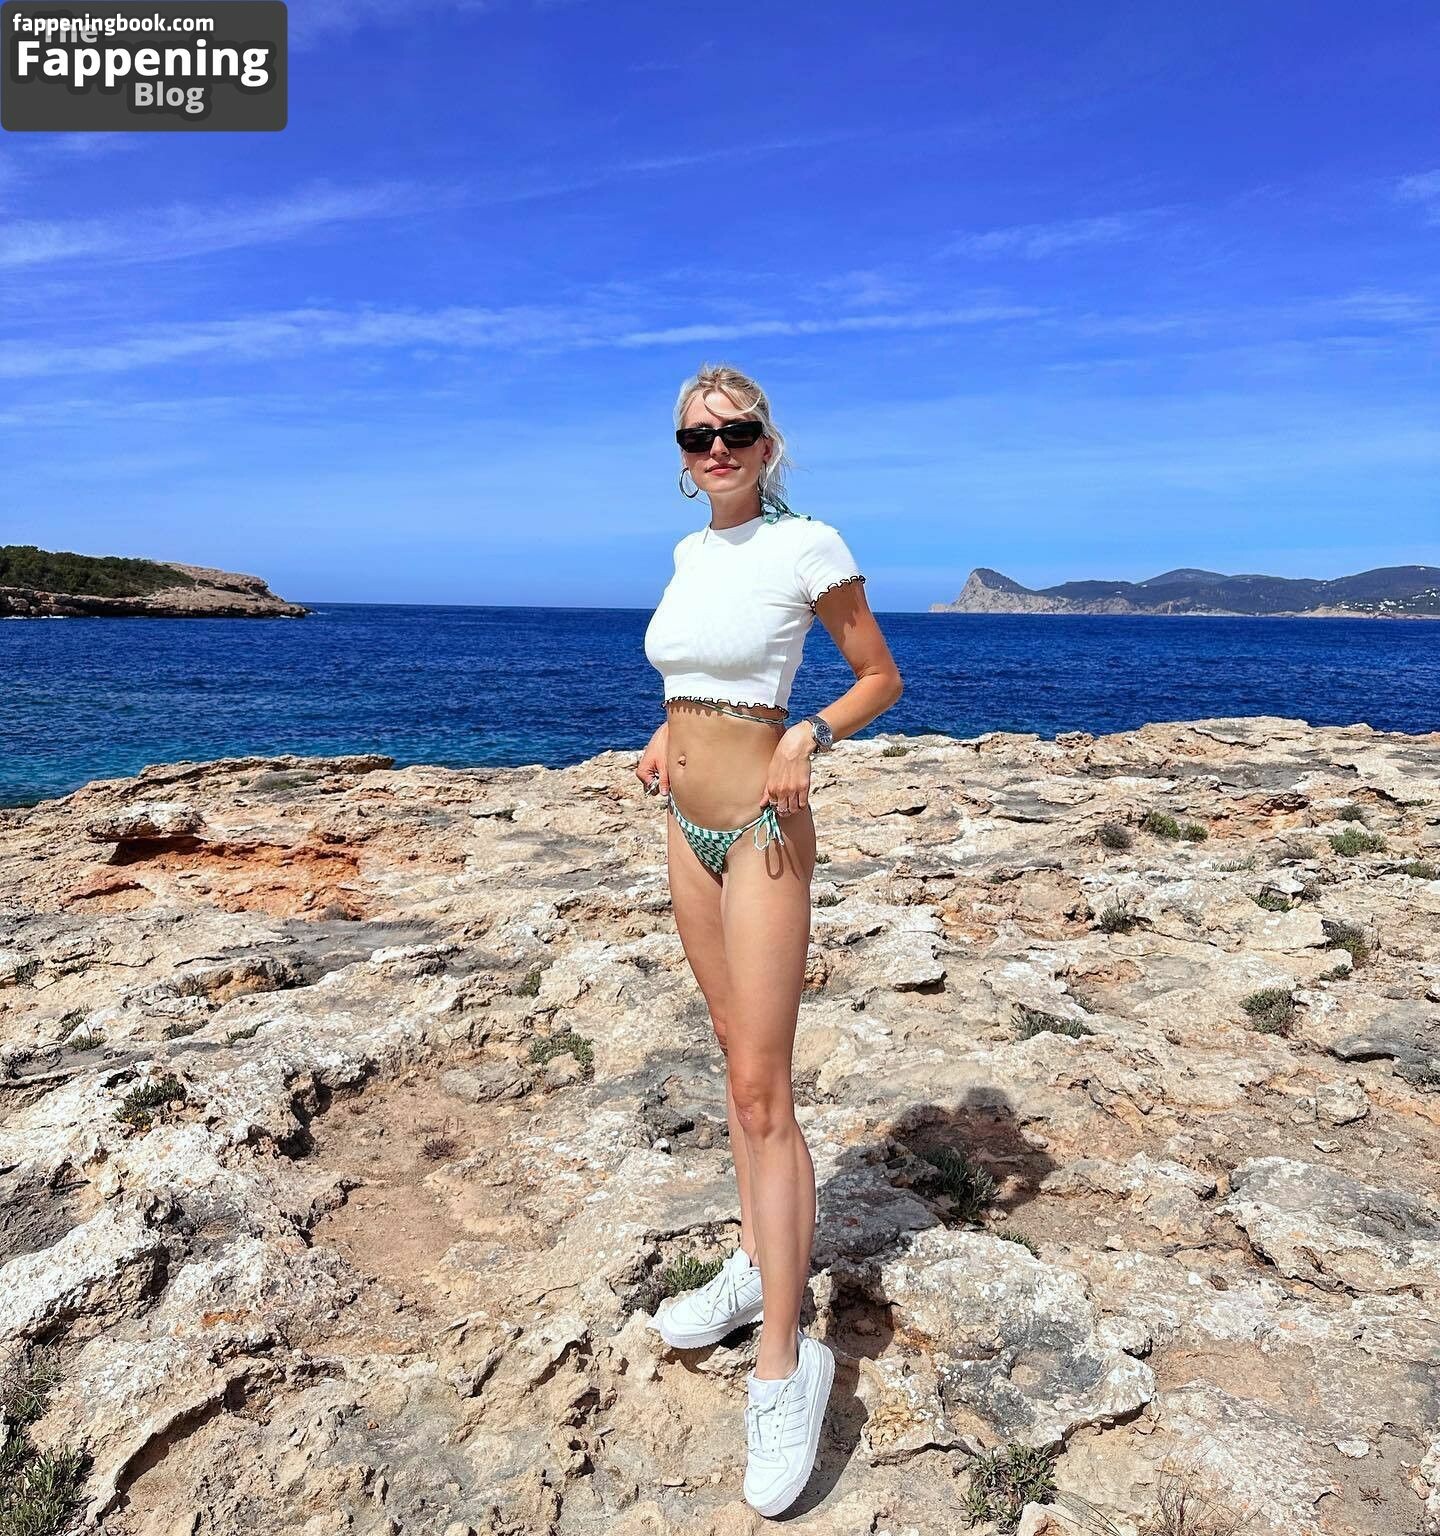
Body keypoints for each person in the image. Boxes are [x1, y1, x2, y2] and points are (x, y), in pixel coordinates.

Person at [636, 363, 903, 1517]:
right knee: (727, 1051)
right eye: (697, 436)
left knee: (761, 1089)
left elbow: (878, 676)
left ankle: (786, 1367)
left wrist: (809, 736)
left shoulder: (809, 545)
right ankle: (756, 1262)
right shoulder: (692, 553)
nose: (717, 449)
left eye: (735, 431)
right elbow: (700, 676)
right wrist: (668, 734)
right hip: (684, 826)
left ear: (767, 441)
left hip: (760, 831)